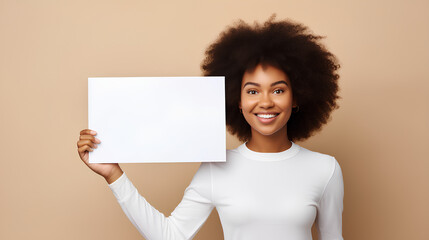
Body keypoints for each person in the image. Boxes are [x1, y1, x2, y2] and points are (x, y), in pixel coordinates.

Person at [77, 15, 344, 240]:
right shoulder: (217, 167)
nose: (265, 102)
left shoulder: (325, 169)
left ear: (297, 96)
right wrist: (113, 174)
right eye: (252, 91)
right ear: (236, 101)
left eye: (278, 90)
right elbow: (170, 235)